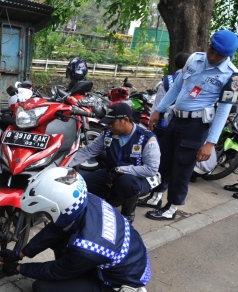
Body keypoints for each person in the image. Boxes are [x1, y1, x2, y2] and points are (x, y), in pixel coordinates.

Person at [0, 167, 150, 292]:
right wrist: (20, 253)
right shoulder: (86, 199)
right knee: (61, 241)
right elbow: (55, 229)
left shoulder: (86, 247)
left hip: (121, 284)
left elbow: (55, 271)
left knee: (42, 290)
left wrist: (19, 268)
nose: (43, 215)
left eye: (45, 212)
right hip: (127, 258)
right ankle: (84, 280)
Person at [141, 30, 238, 220]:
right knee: (164, 160)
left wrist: (210, 142)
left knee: (182, 168)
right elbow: (177, 86)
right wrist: (158, 110)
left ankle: (172, 208)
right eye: (212, 50)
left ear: (228, 55)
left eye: (219, 55)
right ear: (208, 45)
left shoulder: (232, 77)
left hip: (196, 127)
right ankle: (156, 196)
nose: (213, 56)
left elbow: (223, 111)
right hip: (176, 119)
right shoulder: (194, 59)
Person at [68, 102, 161, 223]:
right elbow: (88, 151)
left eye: (112, 122)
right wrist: (62, 165)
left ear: (125, 120)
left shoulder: (147, 138)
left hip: (139, 179)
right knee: (81, 185)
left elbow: (151, 169)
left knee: (127, 182)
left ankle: (128, 214)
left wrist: (120, 170)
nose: (108, 125)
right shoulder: (108, 133)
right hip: (111, 174)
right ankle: (113, 198)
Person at [151, 51, 192, 139]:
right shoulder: (195, 80)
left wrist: (152, 123)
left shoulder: (166, 81)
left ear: (175, 64)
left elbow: (157, 105)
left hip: (164, 126)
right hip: (186, 127)